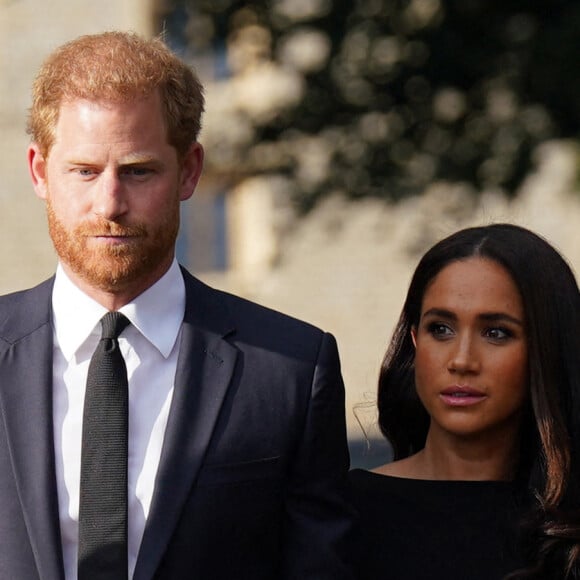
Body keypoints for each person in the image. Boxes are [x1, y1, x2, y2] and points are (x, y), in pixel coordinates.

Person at [0, 31, 354, 580]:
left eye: (139, 170)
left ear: (190, 171)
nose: (110, 203)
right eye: (85, 171)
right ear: (40, 172)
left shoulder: (290, 370)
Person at [349, 223, 580, 579]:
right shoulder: (343, 513)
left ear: (545, 350)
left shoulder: (567, 527)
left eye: (496, 332)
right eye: (440, 328)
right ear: (414, 340)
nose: (461, 360)